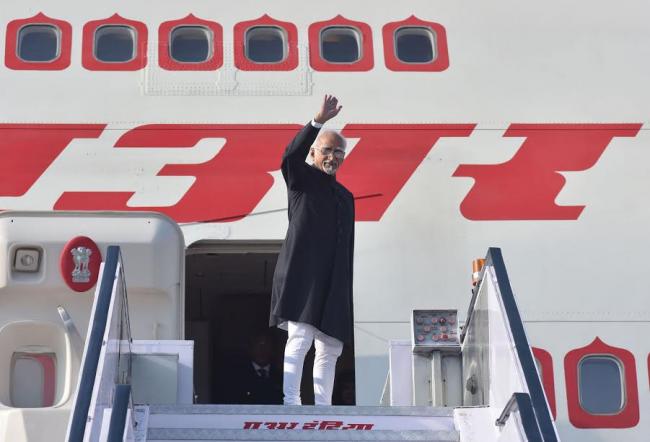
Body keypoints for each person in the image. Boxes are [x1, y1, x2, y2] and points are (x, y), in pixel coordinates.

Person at [270, 95, 355, 406]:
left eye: (338, 151)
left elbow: (347, 245)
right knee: (300, 338)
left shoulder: (346, 197)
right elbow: (289, 157)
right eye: (326, 150)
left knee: (330, 347)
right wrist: (317, 122)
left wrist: (344, 285)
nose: (332, 156)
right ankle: (291, 403)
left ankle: (323, 408)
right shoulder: (301, 179)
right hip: (303, 276)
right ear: (313, 153)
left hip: (335, 281)